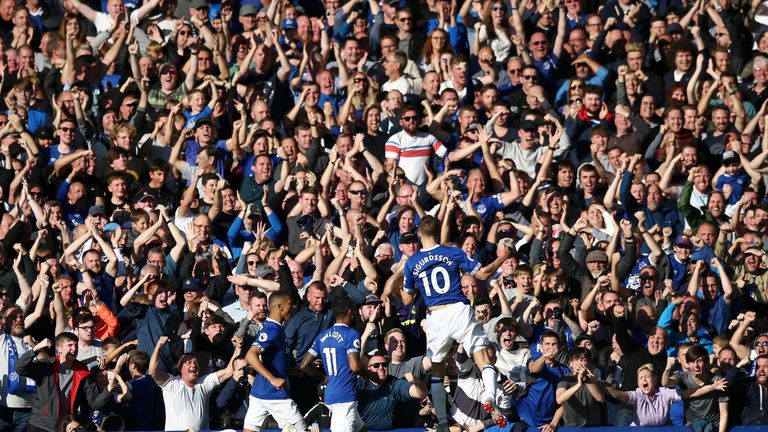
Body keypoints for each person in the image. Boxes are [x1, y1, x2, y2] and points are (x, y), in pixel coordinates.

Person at [403, 215, 509, 429]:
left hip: (436, 316)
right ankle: (490, 396)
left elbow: (406, 299)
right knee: (481, 355)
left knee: (437, 371)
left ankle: (442, 420)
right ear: (438, 232)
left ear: (420, 235)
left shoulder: (412, 261)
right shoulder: (453, 251)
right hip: (459, 310)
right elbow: (483, 273)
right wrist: (502, 258)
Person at [15, 333, 111, 432]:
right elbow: (20, 368)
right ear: (59, 348)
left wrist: (110, 387)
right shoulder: (48, 365)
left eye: (76, 345)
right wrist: (36, 349)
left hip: (66, 427)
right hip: (41, 425)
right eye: (70, 345)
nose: (74, 349)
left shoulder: (83, 371)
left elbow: (94, 403)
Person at [300, 296, 365, 432]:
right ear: (349, 311)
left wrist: (322, 378)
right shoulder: (351, 334)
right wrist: (372, 375)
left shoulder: (322, 336)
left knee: (361, 430)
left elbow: (304, 365)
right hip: (344, 398)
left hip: (330, 395)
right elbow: (355, 366)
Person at [242, 292, 305, 432]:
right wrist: (273, 379)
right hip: (274, 395)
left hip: (259, 393)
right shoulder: (272, 330)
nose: (293, 307)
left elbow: (271, 361)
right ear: (280, 307)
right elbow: (250, 355)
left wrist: (289, 371)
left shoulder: (277, 329)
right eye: (290, 304)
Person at [148, 335, 234, 431]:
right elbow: (153, 372)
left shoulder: (204, 383)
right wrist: (158, 347)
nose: (193, 365)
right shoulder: (172, 383)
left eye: (195, 362)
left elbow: (228, 371)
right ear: (180, 367)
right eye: (189, 362)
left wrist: (238, 348)